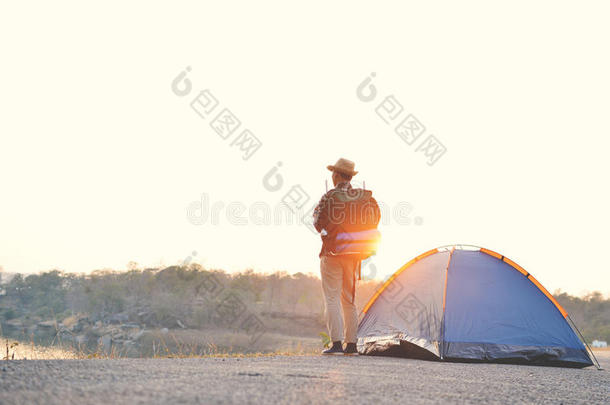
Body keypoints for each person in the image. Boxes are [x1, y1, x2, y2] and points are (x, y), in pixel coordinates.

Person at [313, 158, 380, 355]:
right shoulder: (365, 197)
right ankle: (352, 345)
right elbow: (375, 219)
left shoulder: (329, 196)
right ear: (350, 177)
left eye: (333, 173)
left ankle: (335, 344)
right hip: (355, 254)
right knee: (349, 301)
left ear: (336, 175)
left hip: (332, 253)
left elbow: (317, 222)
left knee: (332, 298)